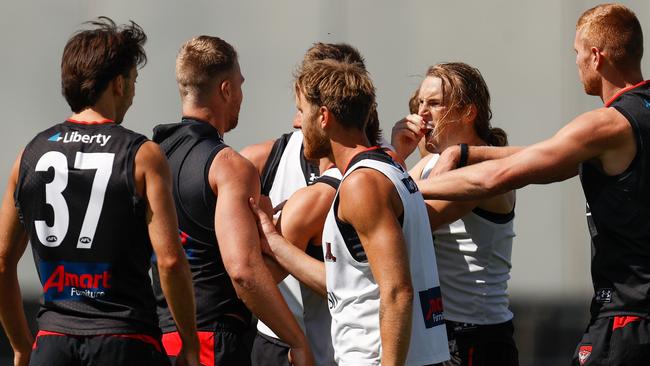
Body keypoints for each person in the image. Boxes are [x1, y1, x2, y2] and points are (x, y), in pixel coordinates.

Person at [416, 4, 650, 365]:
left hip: (628, 316)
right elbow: (548, 155)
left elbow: (501, 177)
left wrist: (398, 186)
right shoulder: (633, 118)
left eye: (576, 53)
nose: (575, 63)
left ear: (596, 56)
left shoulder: (605, 125)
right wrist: (469, 153)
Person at [0, 17, 200, 366]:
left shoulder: (28, 156)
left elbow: (2, 263)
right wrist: (189, 343)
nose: (134, 95)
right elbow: (169, 261)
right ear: (119, 85)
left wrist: (20, 345)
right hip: (125, 341)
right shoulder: (142, 155)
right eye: (134, 82)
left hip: (53, 343)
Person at [251, 59, 450, 365]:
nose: (297, 122)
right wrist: (275, 243)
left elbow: (398, 291)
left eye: (302, 112)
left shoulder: (361, 184)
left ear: (324, 117)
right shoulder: (386, 167)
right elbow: (347, 282)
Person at [151, 35, 314, 366]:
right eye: (239, 85)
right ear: (226, 89)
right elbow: (243, 273)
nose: (241, 96)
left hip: (160, 334)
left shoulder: (151, 156)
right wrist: (296, 340)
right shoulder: (228, 166)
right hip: (212, 337)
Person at [240, 42, 371, 366]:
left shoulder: (375, 167)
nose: (297, 118)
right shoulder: (260, 159)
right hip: (276, 343)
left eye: (304, 106)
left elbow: (370, 281)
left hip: (343, 347)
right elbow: (244, 274)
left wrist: (271, 239)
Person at [392, 62, 518, 365]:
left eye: (434, 103)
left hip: (476, 335)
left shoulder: (480, 168)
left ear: (468, 112)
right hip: (437, 329)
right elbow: (387, 208)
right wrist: (396, 155)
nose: (422, 113)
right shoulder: (429, 163)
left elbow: (415, 221)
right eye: (420, 103)